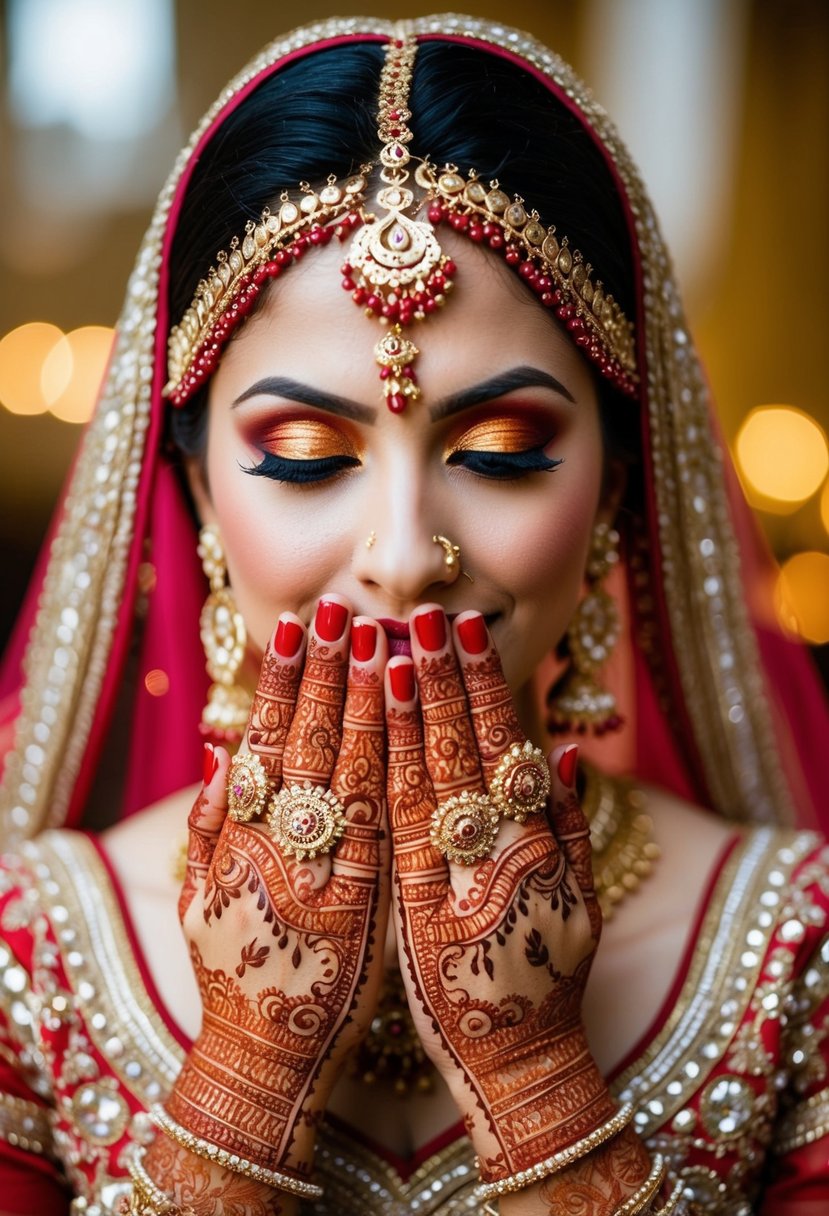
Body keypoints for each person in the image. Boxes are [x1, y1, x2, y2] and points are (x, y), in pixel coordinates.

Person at [0, 14, 827, 1215]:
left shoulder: (786, 948)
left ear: (617, 487)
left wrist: (539, 1083)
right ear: (192, 493)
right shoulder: (38, 947)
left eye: (499, 449)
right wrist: (241, 1079)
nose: (400, 556)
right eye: (298, 454)